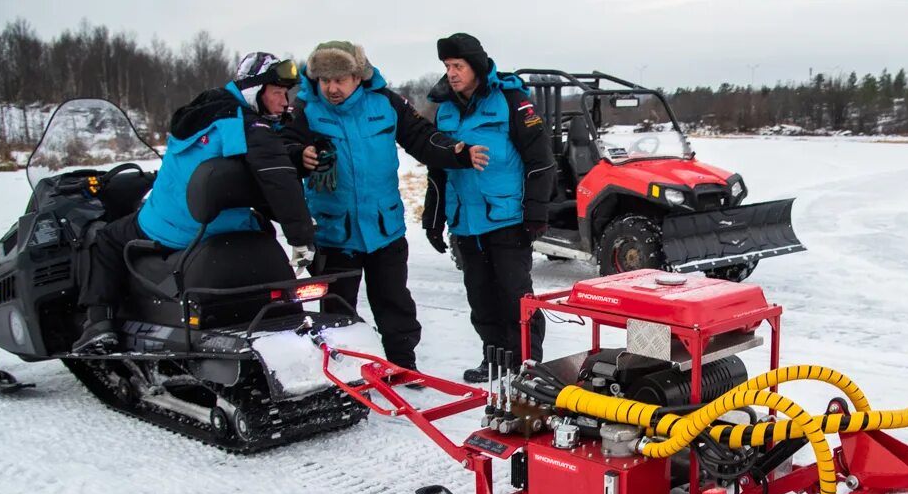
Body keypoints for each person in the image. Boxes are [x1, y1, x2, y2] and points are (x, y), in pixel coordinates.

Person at [74, 52, 314, 354]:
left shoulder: (202, 112)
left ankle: (99, 320)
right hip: (208, 226)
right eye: (277, 93)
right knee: (258, 227)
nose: (284, 102)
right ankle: (101, 328)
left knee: (106, 236)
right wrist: (302, 236)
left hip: (173, 222)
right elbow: (276, 177)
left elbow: (264, 169)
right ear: (255, 91)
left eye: (286, 93)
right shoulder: (248, 125)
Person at [288, 40, 487, 371]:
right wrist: (298, 155)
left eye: (339, 79)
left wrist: (457, 152)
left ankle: (402, 366)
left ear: (358, 76)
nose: (332, 88)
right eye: (325, 80)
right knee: (336, 311)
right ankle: (341, 374)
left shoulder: (384, 103)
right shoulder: (305, 110)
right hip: (335, 233)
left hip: (384, 227)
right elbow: (283, 148)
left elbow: (421, 137)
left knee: (394, 303)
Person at [421, 33, 556, 383]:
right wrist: (434, 219)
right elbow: (438, 171)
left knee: (515, 296)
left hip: (507, 218)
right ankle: (494, 358)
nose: (451, 73)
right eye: (447, 66)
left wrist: (536, 212)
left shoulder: (511, 101)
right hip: (466, 222)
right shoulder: (446, 110)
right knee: (480, 298)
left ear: (476, 67)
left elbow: (540, 161)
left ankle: (528, 365)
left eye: (458, 66)